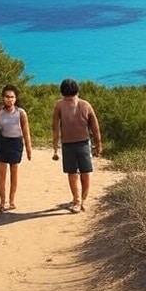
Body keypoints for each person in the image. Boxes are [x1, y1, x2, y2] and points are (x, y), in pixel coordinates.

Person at [52, 78, 103, 214]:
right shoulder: (83, 104)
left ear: (62, 91)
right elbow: (95, 127)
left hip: (77, 143)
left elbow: (55, 128)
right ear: (77, 89)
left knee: (75, 173)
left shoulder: (63, 105)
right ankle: (79, 200)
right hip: (79, 143)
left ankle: (79, 200)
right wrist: (98, 143)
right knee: (82, 172)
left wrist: (55, 147)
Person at [0, 84, 32, 214]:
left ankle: (12, 200)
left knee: (14, 172)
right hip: (1, 142)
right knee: (2, 173)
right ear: (3, 97)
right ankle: (3, 201)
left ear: (16, 98)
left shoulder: (21, 113)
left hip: (16, 143)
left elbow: (26, 132)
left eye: (12, 97)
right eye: (7, 97)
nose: (9, 99)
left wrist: (29, 149)